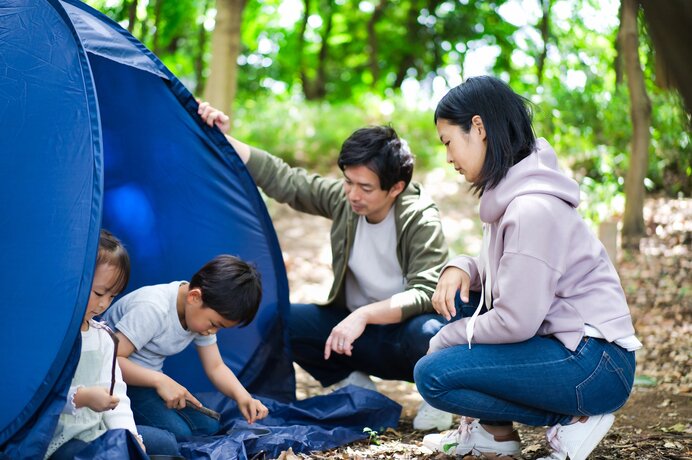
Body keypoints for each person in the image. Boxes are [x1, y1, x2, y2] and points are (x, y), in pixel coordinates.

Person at [414, 76, 642, 460]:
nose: (449, 157)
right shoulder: (510, 196)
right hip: (571, 347)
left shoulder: (531, 208)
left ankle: (576, 419)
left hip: (596, 363)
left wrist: (447, 338)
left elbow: (516, 320)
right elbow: (511, 274)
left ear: (479, 127)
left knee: (433, 373)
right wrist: (463, 267)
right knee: (464, 306)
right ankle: (494, 435)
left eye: (448, 142)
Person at [197, 102, 454, 431]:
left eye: (365, 188)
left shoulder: (420, 217)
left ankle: (436, 397)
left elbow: (425, 291)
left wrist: (363, 315)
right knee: (281, 320)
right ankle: (353, 380)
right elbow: (287, 181)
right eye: (348, 182)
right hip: (354, 336)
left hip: (402, 339)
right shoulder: (344, 199)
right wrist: (223, 138)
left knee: (431, 332)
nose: (352, 194)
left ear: (396, 188)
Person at [103, 254, 269, 439]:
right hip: (115, 383)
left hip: (148, 382)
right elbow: (110, 360)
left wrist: (243, 397)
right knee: (179, 433)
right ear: (194, 297)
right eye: (214, 324)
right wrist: (161, 381)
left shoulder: (199, 316)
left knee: (209, 426)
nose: (213, 331)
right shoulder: (152, 308)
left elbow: (216, 367)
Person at [46, 230, 180, 459]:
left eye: (112, 297)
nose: (103, 305)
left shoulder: (104, 337)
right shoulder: (51, 335)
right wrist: (82, 398)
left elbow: (116, 393)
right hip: (59, 438)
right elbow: (41, 395)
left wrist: (129, 435)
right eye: (99, 293)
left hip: (98, 431)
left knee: (165, 444)